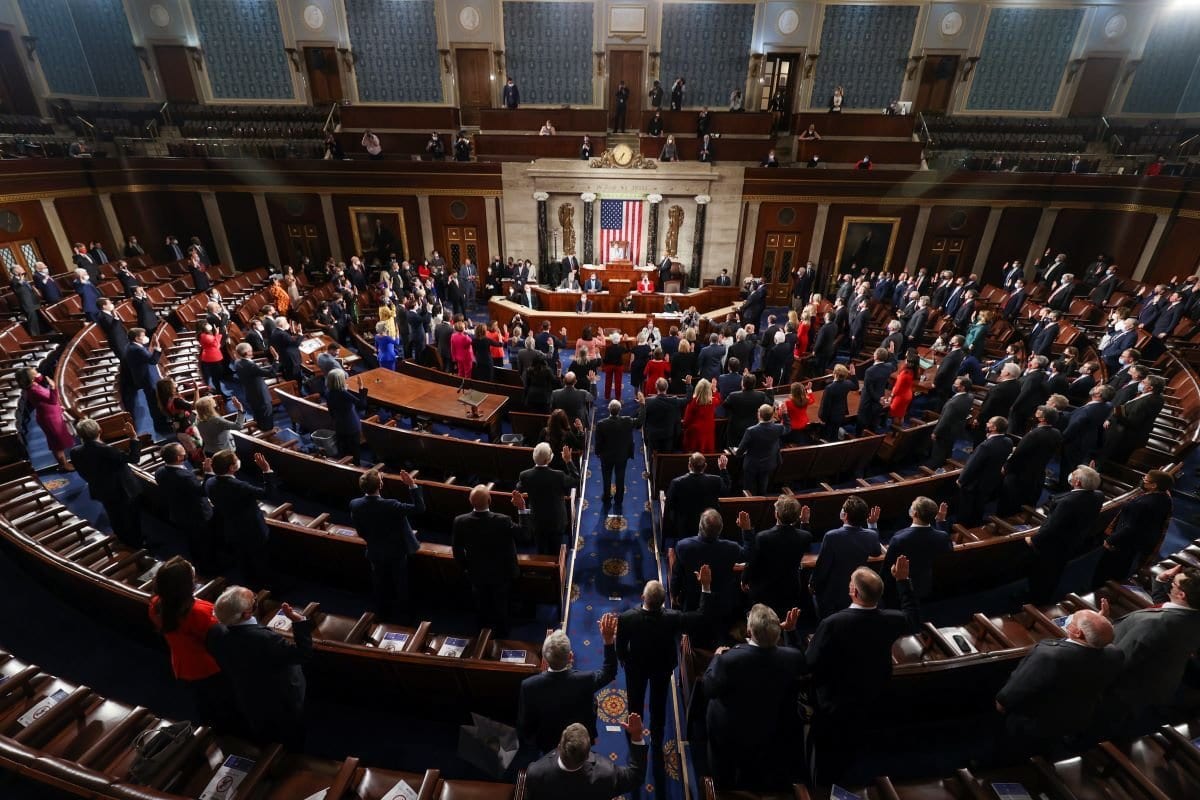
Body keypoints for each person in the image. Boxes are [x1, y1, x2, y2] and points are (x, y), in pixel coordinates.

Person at [805, 558, 920, 783]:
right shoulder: (891, 620)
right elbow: (913, 621)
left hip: (835, 702)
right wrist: (903, 582)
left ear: (854, 592)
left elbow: (810, 663)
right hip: (874, 693)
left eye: (850, 582)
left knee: (830, 760)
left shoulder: (832, 623)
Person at [703, 603, 805, 789]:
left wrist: (717, 657)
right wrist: (791, 631)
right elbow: (799, 659)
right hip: (772, 731)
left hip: (731, 734)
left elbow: (709, 688)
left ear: (749, 631)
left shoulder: (729, 659)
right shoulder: (792, 658)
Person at [995, 608, 1122, 754]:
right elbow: (1084, 650)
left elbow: (1011, 695)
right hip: (1076, 718)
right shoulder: (1115, 654)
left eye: (1072, 620)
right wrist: (1097, 628)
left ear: (1077, 633)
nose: (1069, 620)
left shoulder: (1049, 656)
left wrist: (1002, 703)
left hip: (1034, 724)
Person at [207, 586, 313, 750]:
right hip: (281, 698)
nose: (256, 600)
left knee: (263, 733)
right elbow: (303, 654)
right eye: (254, 601)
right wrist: (299, 622)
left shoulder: (215, 632)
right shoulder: (264, 639)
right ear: (247, 613)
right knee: (292, 736)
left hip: (248, 695)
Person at [1102, 564, 1200, 732]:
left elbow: (1120, 661)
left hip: (1124, 693)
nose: (1170, 582)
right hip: (1158, 686)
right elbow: (1173, 611)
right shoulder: (1192, 615)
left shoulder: (1154, 624)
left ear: (1182, 594)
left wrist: (1096, 634)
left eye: (1173, 583)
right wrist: (1161, 581)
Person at [618, 567, 711, 742]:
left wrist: (624, 659)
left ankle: (634, 733)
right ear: (663, 601)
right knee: (658, 703)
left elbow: (621, 647)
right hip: (662, 667)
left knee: (635, 703)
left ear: (642, 597)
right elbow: (701, 617)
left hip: (636, 667)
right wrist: (705, 587)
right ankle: (657, 734)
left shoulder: (627, 618)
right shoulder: (674, 617)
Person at [148, 557, 232, 728]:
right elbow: (221, 638)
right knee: (223, 704)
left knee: (203, 702)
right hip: (209, 667)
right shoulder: (200, 612)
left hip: (182, 664)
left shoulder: (156, 604)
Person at [518, 614, 618, 754]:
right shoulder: (585, 680)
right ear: (571, 657)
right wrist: (608, 641)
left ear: (545, 659)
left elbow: (526, 725)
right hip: (580, 740)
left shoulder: (528, 686)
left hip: (547, 744)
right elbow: (609, 672)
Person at [452, 485, 530, 636]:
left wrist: (466, 568)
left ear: (470, 501)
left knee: (481, 606)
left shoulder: (460, 521)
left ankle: (482, 636)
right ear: (489, 499)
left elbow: (457, 550)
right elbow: (525, 535)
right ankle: (502, 636)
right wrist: (522, 507)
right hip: (502, 574)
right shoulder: (503, 520)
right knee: (501, 607)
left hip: (476, 573)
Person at [350, 468, 423, 621]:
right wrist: (412, 485)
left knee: (380, 584)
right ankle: (405, 617)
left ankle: (383, 615)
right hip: (396, 553)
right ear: (380, 485)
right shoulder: (391, 505)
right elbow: (419, 508)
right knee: (400, 583)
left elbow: (361, 531)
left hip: (374, 551)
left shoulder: (355, 504)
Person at [1027, 466, 1103, 602]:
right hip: (1072, 542)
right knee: (1055, 571)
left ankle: (1035, 601)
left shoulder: (1067, 503)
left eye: (1074, 474)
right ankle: (1045, 595)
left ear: (1077, 482)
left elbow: (1052, 527)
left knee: (1042, 574)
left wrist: (1034, 540)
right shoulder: (1098, 495)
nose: (1071, 475)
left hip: (1053, 546)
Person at [524, 716, 648, 800]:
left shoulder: (535, 772)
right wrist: (637, 736)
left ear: (558, 746)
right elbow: (635, 776)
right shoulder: (607, 774)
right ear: (588, 754)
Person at [206, 449, 276, 586]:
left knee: (243, 561)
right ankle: (267, 589)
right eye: (236, 458)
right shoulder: (239, 486)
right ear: (232, 467)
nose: (239, 460)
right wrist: (266, 470)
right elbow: (269, 494)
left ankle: (250, 585)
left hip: (231, 529)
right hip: (253, 531)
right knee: (260, 562)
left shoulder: (209, 482)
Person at [71, 418, 142, 547]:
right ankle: (138, 546)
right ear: (100, 430)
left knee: (114, 517)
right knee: (130, 518)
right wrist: (133, 437)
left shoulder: (75, 452)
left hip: (101, 490)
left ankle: (124, 540)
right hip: (122, 491)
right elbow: (134, 458)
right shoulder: (106, 450)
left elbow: (83, 472)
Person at [1095, 470, 1174, 586]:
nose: (1142, 481)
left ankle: (1099, 588)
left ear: (1154, 485)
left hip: (1123, 542)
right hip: (1139, 541)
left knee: (1106, 568)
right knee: (1124, 565)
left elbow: (1129, 527)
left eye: (1145, 480)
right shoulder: (1166, 498)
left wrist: (1110, 540)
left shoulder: (1142, 503)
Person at [672, 509, 746, 627]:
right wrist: (746, 530)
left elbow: (677, 574)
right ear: (720, 529)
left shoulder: (683, 546)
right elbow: (749, 554)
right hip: (722, 602)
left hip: (693, 600)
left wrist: (674, 593)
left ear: (700, 526)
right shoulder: (732, 548)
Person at [739, 496, 812, 617]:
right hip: (790, 590)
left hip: (764, 592)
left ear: (776, 514)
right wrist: (804, 522)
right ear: (797, 516)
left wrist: (744, 579)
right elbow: (805, 541)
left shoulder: (763, 537)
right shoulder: (805, 536)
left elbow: (752, 561)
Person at [811, 496, 882, 617]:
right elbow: (876, 551)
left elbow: (823, 566)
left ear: (845, 515)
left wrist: (813, 584)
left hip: (833, 594)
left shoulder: (831, 536)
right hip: (857, 590)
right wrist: (872, 525)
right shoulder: (871, 535)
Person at [518, 442, 580, 555]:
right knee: (555, 551)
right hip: (556, 521)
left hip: (537, 521)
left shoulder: (525, 475)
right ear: (548, 459)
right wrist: (568, 461)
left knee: (540, 550)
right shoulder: (558, 476)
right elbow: (576, 479)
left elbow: (519, 488)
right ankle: (556, 567)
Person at [882, 498, 950, 599]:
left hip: (901, 589)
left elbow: (887, 568)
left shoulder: (900, 538)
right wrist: (941, 521)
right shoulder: (942, 536)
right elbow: (947, 546)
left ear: (915, 514)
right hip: (928, 584)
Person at [999, 405, 1061, 515]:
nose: (1034, 414)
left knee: (1010, 499)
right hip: (1038, 472)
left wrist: (1006, 467)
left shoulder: (1034, 434)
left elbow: (1019, 454)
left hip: (1020, 473)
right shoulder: (1056, 433)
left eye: (1037, 413)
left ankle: (1004, 518)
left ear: (1042, 419)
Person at [16, 367, 74, 471]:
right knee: (57, 444)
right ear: (31, 378)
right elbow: (52, 400)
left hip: (51, 414)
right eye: (34, 371)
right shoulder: (34, 390)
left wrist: (38, 376)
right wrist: (53, 387)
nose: (36, 370)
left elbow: (40, 378)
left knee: (58, 441)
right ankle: (63, 465)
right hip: (50, 419)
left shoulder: (32, 384)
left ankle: (63, 463)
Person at [665, 452, 730, 543]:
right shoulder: (716, 480)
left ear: (689, 465)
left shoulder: (677, 482)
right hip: (709, 524)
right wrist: (723, 469)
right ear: (705, 466)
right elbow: (726, 491)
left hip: (685, 526)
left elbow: (670, 505)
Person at [1103, 374, 1165, 462]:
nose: (1141, 383)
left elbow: (1132, 423)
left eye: (1143, 382)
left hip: (1123, 438)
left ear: (1150, 388)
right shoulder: (1157, 397)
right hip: (1126, 434)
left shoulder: (1146, 402)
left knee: (1109, 459)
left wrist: (1117, 414)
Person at [595, 398, 642, 504]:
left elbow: (598, 442)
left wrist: (598, 453)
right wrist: (642, 406)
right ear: (620, 409)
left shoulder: (601, 424)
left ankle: (606, 496)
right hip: (622, 455)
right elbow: (639, 421)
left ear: (608, 409)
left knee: (606, 477)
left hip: (606, 456)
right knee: (620, 476)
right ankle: (619, 498)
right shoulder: (627, 421)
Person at [737, 403, 786, 497]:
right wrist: (784, 414)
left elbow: (740, 451)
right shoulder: (778, 428)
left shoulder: (751, 431)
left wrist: (738, 452)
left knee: (748, 488)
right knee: (763, 487)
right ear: (772, 416)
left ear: (759, 415)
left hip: (752, 465)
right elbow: (787, 427)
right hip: (768, 463)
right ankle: (761, 504)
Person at [928, 376, 974, 467]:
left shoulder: (954, 403)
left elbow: (945, 419)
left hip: (945, 431)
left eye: (956, 384)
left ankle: (934, 470)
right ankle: (945, 464)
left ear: (962, 387)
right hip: (956, 429)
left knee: (938, 453)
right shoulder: (970, 397)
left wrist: (936, 432)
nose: (953, 385)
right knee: (948, 449)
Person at [232, 343, 277, 432]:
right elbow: (271, 373)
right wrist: (276, 359)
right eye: (250, 350)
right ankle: (269, 433)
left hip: (250, 393)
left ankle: (262, 429)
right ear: (246, 352)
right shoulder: (250, 365)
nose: (252, 352)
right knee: (266, 415)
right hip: (261, 395)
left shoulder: (237, 362)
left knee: (258, 415)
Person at [327, 369, 367, 464]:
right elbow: (362, 405)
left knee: (343, 448)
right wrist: (361, 387)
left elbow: (331, 411)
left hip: (339, 424)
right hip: (351, 426)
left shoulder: (328, 392)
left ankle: (344, 464)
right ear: (341, 381)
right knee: (354, 450)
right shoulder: (343, 394)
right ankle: (356, 467)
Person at [643, 378, 686, 452]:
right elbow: (688, 399)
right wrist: (688, 385)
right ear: (667, 387)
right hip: (668, 434)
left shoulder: (648, 401)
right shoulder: (674, 401)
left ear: (656, 387)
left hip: (653, 435)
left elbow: (644, 420)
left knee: (652, 456)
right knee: (666, 456)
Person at [818, 363, 858, 441]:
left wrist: (822, 418)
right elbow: (856, 386)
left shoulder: (829, 388)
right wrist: (853, 374)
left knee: (828, 435)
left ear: (834, 374)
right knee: (835, 432)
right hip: (841, 413)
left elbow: (826, 405)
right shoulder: (847, 383)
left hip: (830, 416)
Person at [886, 355, 917, 426]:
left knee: (895, 414)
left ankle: (895, 430)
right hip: (908, 394)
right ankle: (899, 430)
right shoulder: (914, 371)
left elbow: (897, 388)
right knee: (901, 414)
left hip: (900, 396)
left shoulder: (904, 374)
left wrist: (891, 396)